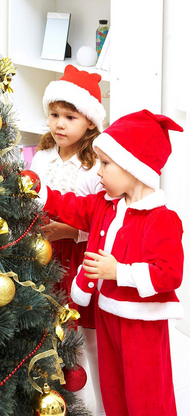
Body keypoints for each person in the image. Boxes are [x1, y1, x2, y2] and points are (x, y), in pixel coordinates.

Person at [43, 109, 184, 415]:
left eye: (105, 164)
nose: (98, 172)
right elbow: (71, 207)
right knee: (112, 386)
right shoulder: (104, 205)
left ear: (134, 167)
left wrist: (118, 271)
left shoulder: (161, 219)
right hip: (107, 314)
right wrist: (41, 194)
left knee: (145, 390)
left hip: (141, 324)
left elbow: (170, 274)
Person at [30, 64, 106, 413]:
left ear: (89, 122)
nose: (59, 124)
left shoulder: (94, 168)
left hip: (74, 256)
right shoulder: (42, 157)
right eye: (54, 114)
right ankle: (43, 392)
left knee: (73, 332)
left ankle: (79, 400)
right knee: (40, 324)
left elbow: (102, 220)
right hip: (37, 254)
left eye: (70, 117)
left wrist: (71, 231)